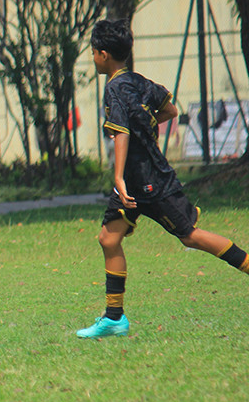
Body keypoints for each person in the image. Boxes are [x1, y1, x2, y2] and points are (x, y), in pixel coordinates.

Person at [77, 18, 249, 339]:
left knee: (190, 237)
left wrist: (118, 178)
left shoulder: (114, 88)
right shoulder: (138, 81)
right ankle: (114, 319)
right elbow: (170, 110)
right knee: (108, 238)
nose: (93, 57)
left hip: (145, 180)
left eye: (94, 53)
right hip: (141, 177)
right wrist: (147, 125)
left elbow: (122, 134)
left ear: (103, 55)